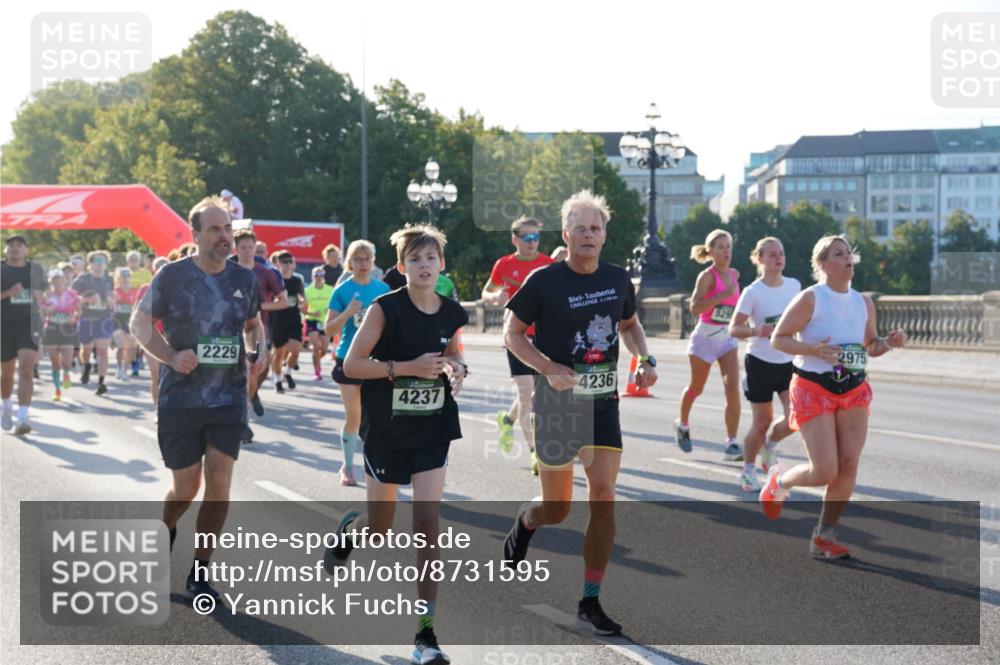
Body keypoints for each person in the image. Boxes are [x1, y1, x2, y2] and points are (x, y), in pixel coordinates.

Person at [502, 191, 657, 636]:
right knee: (557, 507)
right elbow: (513, 334)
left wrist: (644, 360)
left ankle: (589, 600)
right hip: (558, 403)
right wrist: (548, 368)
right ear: (566, 234)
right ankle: (528, 521)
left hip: (603, 401)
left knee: (604, 494)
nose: (589, 235)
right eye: (581, 228)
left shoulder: (617, 278)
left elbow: (629, 325)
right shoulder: (545, 281)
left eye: (596, 228)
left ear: (605, 235)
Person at [324, 224, 467, 665]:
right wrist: (406, 366)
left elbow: (456, 351)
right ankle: (350, 532)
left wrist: (458, 369)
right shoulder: (384, 308)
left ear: (441, 264)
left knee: (427, 523)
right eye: (415, 260)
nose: (424, 266)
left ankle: (425, 633)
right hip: (386, 428)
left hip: (433, 427)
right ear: (402, 267)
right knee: (380, 526)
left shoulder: (451, 310)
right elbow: (352, 364)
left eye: (431, 259)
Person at [131, 196, 265, 598]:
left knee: (220, 481)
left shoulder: (244, 279)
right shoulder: (172, 276)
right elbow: (139, 323)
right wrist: (171, 355)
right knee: (186, 488)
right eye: (215, 230)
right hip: (181, 400)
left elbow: (254, 324)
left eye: (228, 229)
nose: (225, 237)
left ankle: (201, 570)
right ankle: (166, 526)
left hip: (228, 398)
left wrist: (259, 351)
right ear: (195, 235)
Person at [760, 235, 907, 559]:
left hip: (853, 389)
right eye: (839, 254)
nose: (847, 258)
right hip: (814, 388)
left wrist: (889, 342)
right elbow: (778, 339)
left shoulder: (863, 302)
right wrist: (812, 349)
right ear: (823, 264)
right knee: (825, 470)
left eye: (849, 253)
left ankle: (824, 536)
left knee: (849, 465)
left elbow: (869, 346)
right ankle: (779, 481)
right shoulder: (811, 299)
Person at [480, 216, 555, 473]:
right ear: (515, 239)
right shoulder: (504, 265)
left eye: (536, 237)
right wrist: (495, 297)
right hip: (516, 336)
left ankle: (508, 419)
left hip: (544, 336)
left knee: (536, 393)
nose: (532, 242)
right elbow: (485, 293)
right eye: (527, 237)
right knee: (526, 393)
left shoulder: (548, 264)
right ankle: (536, 453)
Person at [728, 237, 800, 492]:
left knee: (797, 415)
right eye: (771, 254)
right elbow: (734, 328)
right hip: (760, 362)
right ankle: (748, 469)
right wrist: (757, 330)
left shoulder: (794, 286)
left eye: (781, 253)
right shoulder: (753, 292)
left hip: (789, 362)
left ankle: (769, 446)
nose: (778, 258)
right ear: (759, 259)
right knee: (761, 421)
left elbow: (803, 319)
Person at [325, 240, 390, 485]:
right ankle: (347, 466)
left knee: (377, 415)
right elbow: (329, 328)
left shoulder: (383, 289)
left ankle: (376, 465)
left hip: (376, 360)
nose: (363, 264)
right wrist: (348, 312)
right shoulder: (341, 291)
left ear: (373, 262)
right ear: (349, 263)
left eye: (367, 259)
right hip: (348, 359)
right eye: (357, 259)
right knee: (355, 416)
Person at [675, 229, 742, 460]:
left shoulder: (734, 275)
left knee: (732, 388)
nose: (726, 251)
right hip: (705, 338)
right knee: (696, 387)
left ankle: (732, 443)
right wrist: (721, 296)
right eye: (721, 247)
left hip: (727, 339)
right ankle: (683, 424)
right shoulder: (707, 276)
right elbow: (695, 307)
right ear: (711, 251)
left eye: (729, 247)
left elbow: (736, 308)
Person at [232, 230, 287, 416]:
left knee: (258, 370)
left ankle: (252, 394)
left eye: (250, 247)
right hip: (231, 329)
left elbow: (284, 301)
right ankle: (243, 414)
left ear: (255, 248)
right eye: (243, 247)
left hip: (258, 327)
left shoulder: (265, 273)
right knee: (246, 371)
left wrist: (259, 306)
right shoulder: (227, 270)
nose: (247, 251)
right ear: (236, 248)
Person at [1, 235, 47, 434]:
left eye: (19, 245)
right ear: (6, 250)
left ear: (26, 250)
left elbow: (44, 296)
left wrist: (41, 298)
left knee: (26, 369)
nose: (15, 248)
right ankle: (6, 405)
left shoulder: (35, 269)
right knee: (7, 374)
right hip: (4, 325)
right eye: (11, 245)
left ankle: (23, 417)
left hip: (29, 325)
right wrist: (9, 293)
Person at [72, 250, 115, 395]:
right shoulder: (83, 278)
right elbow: (72, 295)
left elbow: (113, 295)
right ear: (90, 264)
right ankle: (87, 366)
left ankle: (101, 382)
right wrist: (86, 300)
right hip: (87, 318)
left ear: (106, 264)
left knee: (103, 351)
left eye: (102, 262)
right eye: (96, 261)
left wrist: (112, 301)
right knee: (87, 349)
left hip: (104, 318)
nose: (99, 264)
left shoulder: (109, 279)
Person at [40, 268, 80, 401]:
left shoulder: (72, 294)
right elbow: (41, 310)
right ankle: (57, 390)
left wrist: (74, 317)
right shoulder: (47, 295)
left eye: (60, 279)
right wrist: (47, 310)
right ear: (51, 281)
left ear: (64, 280)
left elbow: (79, 310)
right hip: (52, 328)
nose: (58, 282)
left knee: (67, 361)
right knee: (54, 362)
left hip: (67, 328)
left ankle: (67, 373)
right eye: (54, 280)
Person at [134, 257, 169, 406]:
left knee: (168, 375)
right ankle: (158, 408)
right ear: (153, 270)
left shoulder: (178, 288)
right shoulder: (145, 289)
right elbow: (137, 311)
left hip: (171, 337)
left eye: (165, 266)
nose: (162, 269)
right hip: (152, 335)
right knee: (156, 374)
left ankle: (168, 406)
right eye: (158, 267)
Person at [271, 251, 306, 393]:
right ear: (278, 263)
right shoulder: (274, 279)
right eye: (284, 262)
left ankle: (288, 372)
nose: (287, 265)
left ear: (294, 264)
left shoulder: (298, 280)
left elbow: (302, 298)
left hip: (294, 318)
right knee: (279, 353)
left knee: (296, 350)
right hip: (278, 319)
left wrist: (303, 304)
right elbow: (268, 297)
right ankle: (278, 380)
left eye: (289, 262)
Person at [304, 266, 334, 381]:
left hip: (325, 321)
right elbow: (303, 308)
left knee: (325, 349)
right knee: (316, 346)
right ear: (312, 277)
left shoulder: (330, 289)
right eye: (316, 275)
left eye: (321, 275)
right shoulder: (308, 291)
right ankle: (317, 371)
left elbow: (335, 304)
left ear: (324, 277)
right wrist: (311, 313)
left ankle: (317, 359)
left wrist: (330, 310)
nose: (319, 278)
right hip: (312, 320)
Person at [112, 267, 140, 380]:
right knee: (121, 346)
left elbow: (138, 306)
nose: (125, 279)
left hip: (130, 322)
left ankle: (124, 370)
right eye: (123, 277)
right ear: (119, 278)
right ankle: (119, 368)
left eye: (128, 276)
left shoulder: (135, 291)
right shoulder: (115, 291)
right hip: (118, 321)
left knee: (130, 348)